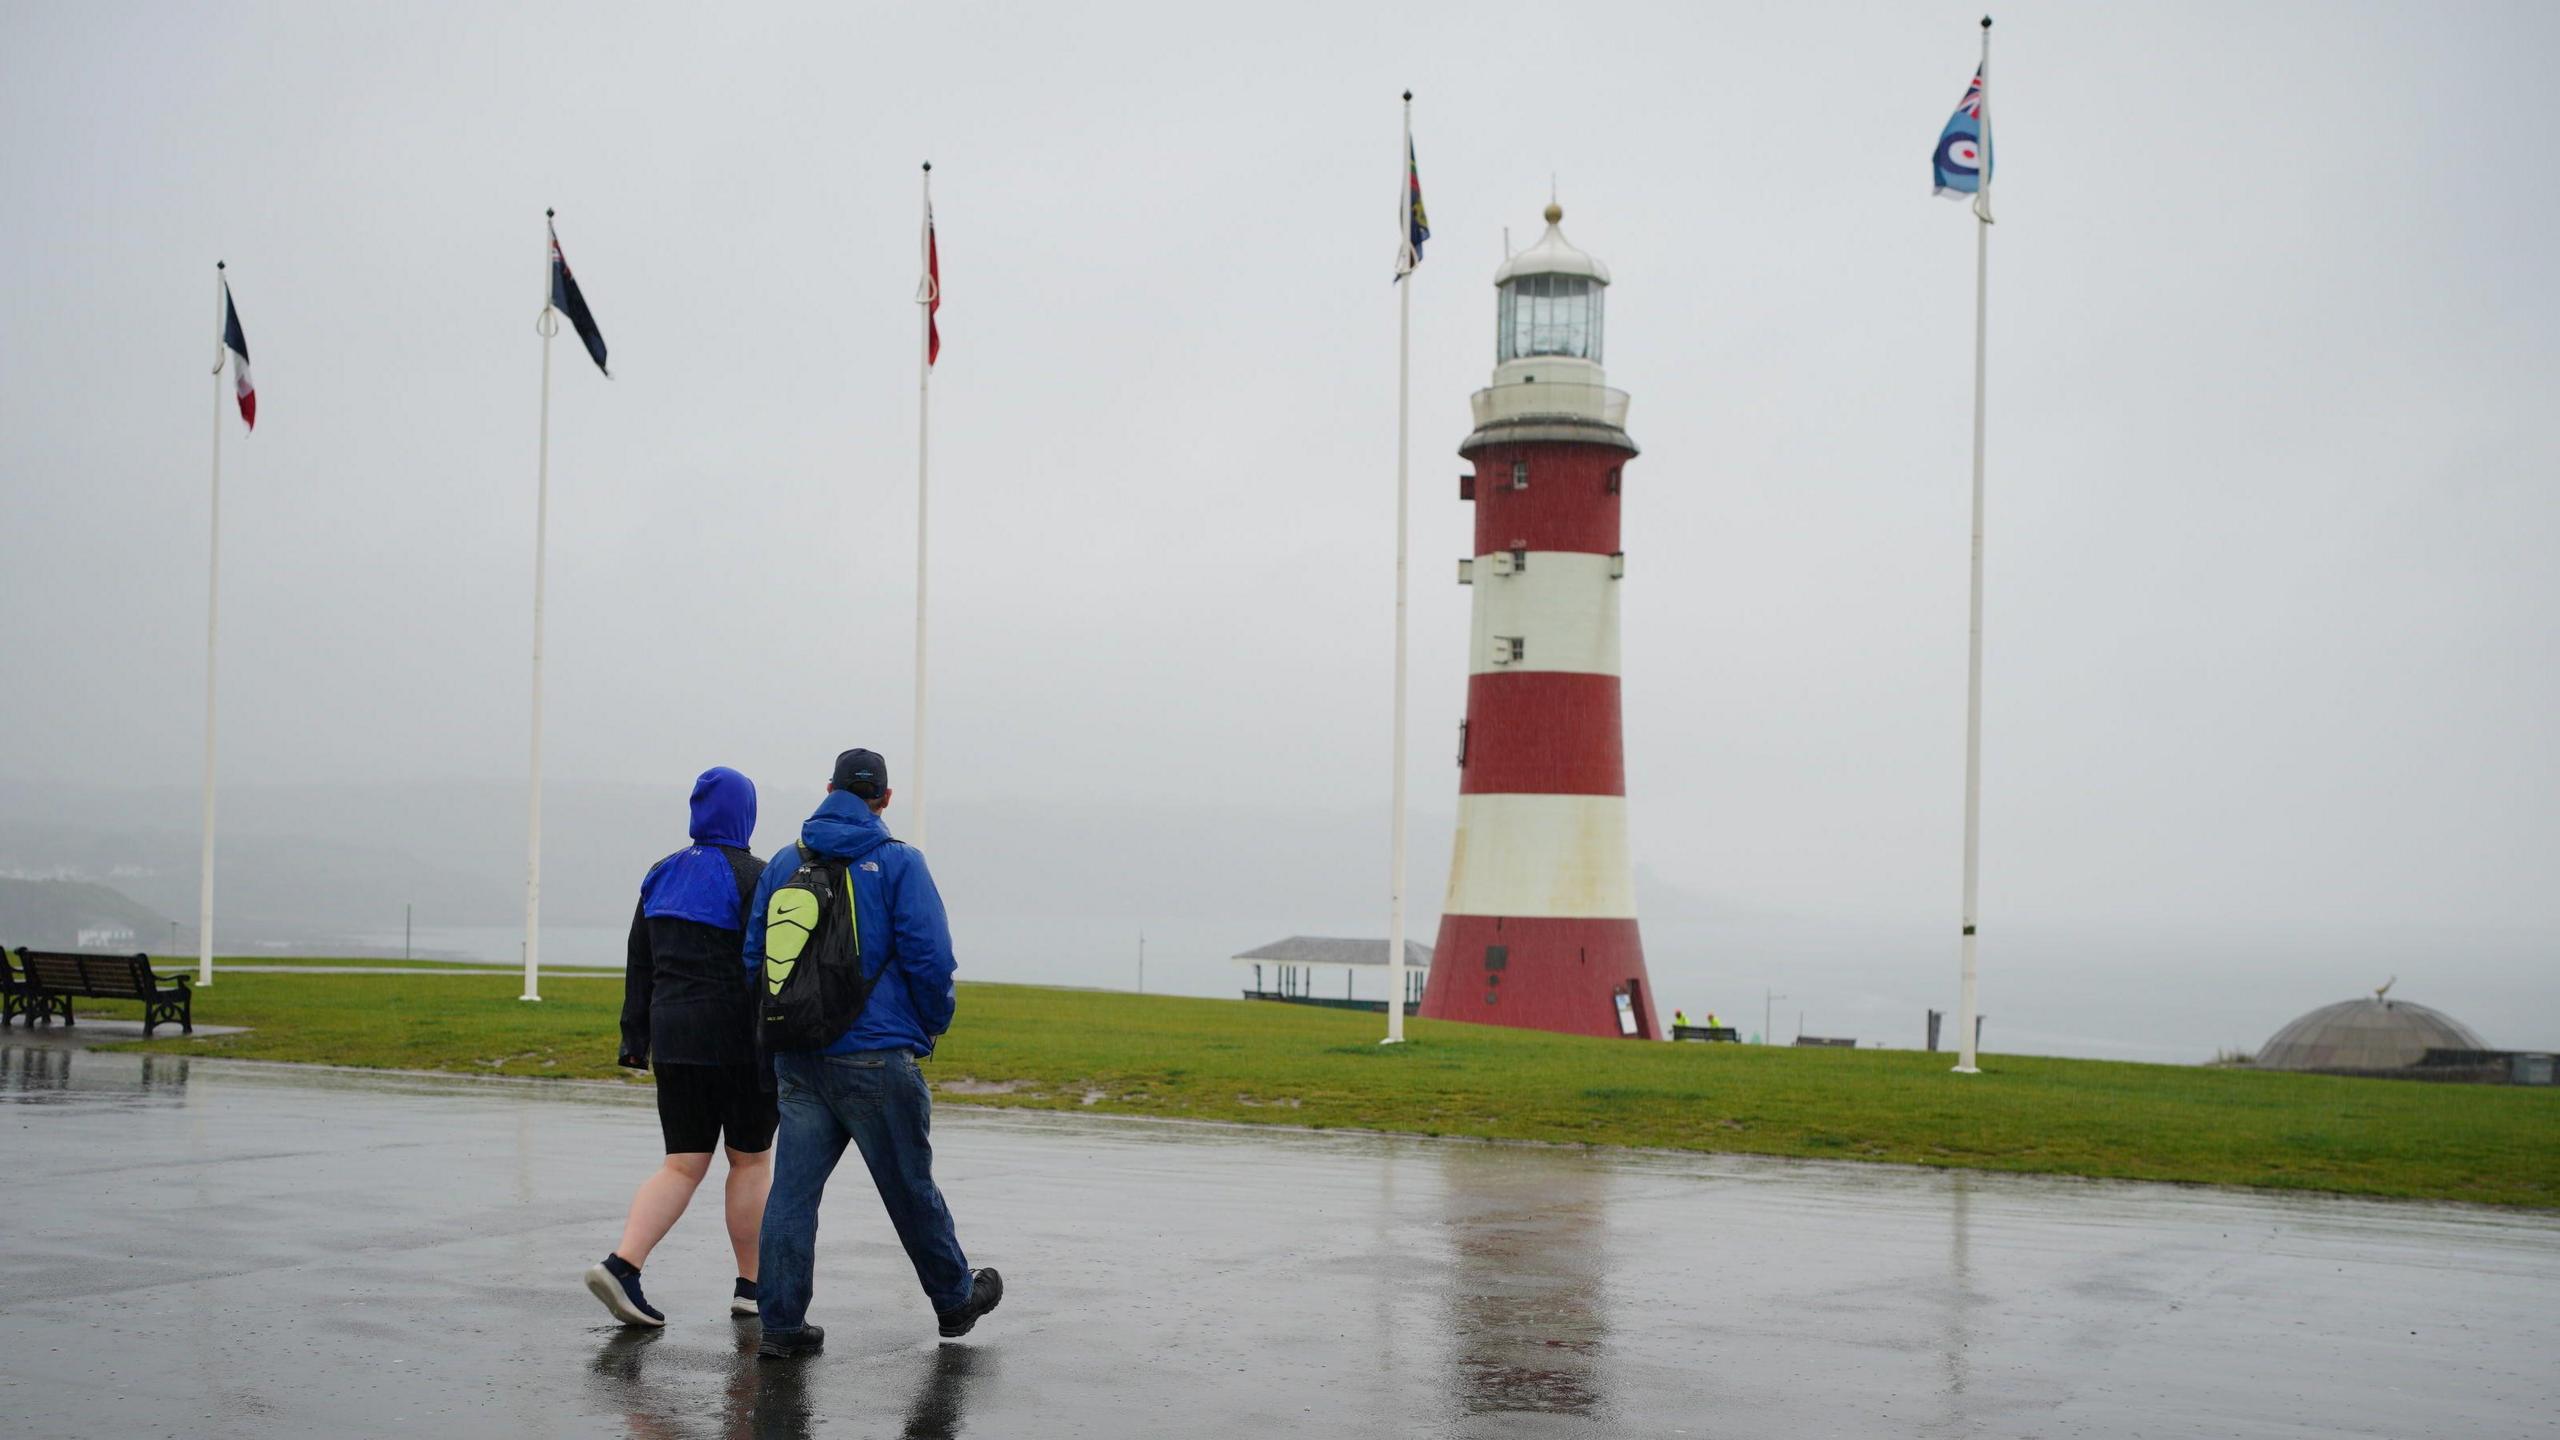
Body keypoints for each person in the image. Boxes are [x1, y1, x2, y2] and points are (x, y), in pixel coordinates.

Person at [745, 748, 1001, 1360]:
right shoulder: (900, 863)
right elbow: (930, 959)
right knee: (909, 1185)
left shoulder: (784, 860)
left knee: (792, 1194)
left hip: (799, 1056)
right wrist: (930, 1025)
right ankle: (954, 1299)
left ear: (828, 788)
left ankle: (780, 1325)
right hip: (876, 1054)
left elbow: (755, 958)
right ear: (884, 799)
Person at [584, 766, 773, 1328]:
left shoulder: (660, 875)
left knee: (682, 1163)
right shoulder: (757, 878)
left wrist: (633, 1037)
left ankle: (624, 1264)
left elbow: (638, 962)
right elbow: (765, 964)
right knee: (751, 1159)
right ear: (746, 814)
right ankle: (752, 1286)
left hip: (672, 1038)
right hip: (739, 1042)